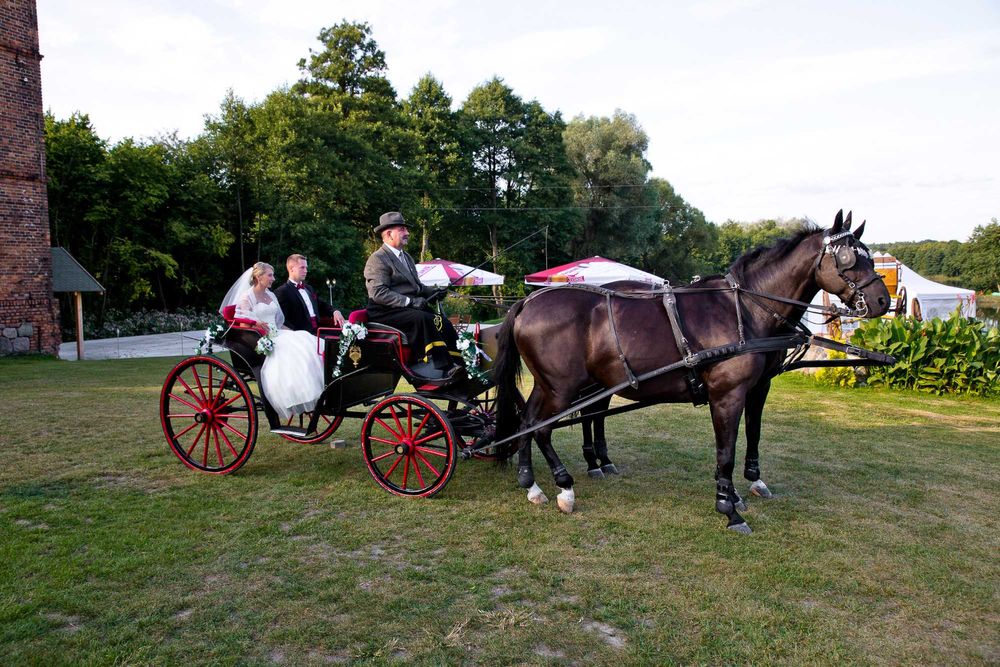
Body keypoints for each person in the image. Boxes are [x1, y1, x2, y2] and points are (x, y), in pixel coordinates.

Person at [221, 262, 325, 421]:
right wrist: (256, 325)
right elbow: (242, 325)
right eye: (270, 275)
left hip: (277, 333)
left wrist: (294, 334)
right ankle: (296, 396)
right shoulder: (247, 297)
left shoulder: (271, 295)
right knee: (291, 352)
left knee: (306, 341)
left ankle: (316, 392)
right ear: (258, 277)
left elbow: (279, 323)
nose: (273, 279)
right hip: (259, 338)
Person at [363, 211, 460, 379]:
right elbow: (378, 293)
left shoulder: (406, 257)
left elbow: (416, 286)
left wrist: (434, 292)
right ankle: (442, 367)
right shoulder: (377, 259)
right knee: (424, 319)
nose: (407, 233)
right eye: (402, 229)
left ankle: (457, 361)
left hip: (405, 310)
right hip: (384, 311)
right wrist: (410, 302)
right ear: (388, 234)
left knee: (442, 321)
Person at [274, 253, 344, 334]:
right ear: (291, 268)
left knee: (345, 334)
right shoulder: (282, 292)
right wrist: (297, 334)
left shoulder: (309, 288)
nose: (306, 271)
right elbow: (282, 320)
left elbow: (321, 305)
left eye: (306, 268)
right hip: (300, 335)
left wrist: (335, 311)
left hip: (318, 330)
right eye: (302, 268)